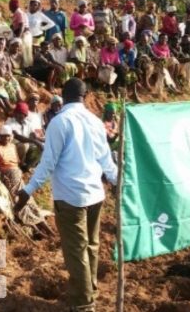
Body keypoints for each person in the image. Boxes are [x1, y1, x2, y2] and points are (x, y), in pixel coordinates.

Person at [15, 78, 118, 312]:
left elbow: (48, 163)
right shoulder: (94, 121)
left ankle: (83, 304)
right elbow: (106, 160)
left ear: (63, 94)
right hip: (95, 195)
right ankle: (89, 290)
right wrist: (118, 181)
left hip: (71, 197)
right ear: (86, 94)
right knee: (91, 245)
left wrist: (27, 191)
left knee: (76, 250)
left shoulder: (60, 122)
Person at [0, 125, 50, 235]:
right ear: (0, 136)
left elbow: (17, 163)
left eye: (8, 136)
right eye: (3, 137)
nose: (6, 139)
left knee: (29, 200)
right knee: (20, 201)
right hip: (8, 176)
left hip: (17, 174)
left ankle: (45, 229)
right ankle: (40, 229)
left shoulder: (13, 146)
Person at [2, 102, 43, 171]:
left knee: (39, 147)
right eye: (17, 113)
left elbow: (33, 135)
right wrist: (35, 141)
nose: (18, 115)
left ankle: (28, 166)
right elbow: (18, 137)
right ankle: (18, 165)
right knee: (24, 145)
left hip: (25, 147)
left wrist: (43, 141)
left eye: (21, 114)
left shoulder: (28, 124)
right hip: (11, 148)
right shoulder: (9, 123)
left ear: (25, 115)